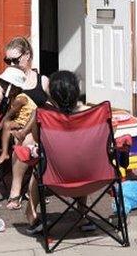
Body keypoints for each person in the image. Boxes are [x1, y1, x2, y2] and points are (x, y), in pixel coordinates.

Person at [24, 70, 95, 233]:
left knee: (38, 167)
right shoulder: (91, 113)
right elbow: (109, 132)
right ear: (76, 91)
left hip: (55, 177)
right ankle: (83, 215)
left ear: (53, 95)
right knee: (79, 158)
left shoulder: (43, 116)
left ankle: (32, 215)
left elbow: (36, 137)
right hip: (90, 176)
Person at [0, 36, 49, 211]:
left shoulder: (42, 80)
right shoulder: (7, 79)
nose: (11, 64)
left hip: (42, 128)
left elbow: (52, 106)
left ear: (27, 55)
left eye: (15, 59)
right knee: (26, 141)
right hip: (18, 128)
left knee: (29, 138)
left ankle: (30, 188)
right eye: (8, 60)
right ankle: (18, 189)